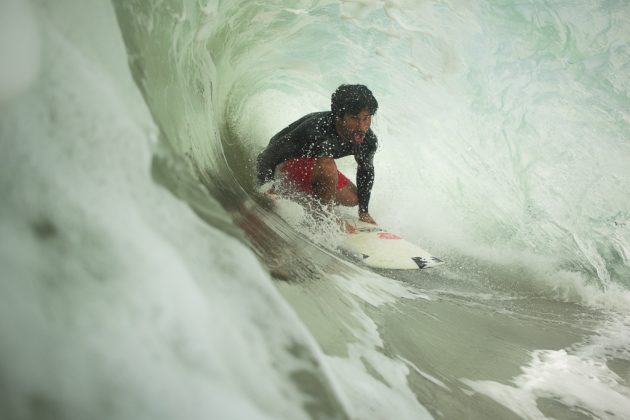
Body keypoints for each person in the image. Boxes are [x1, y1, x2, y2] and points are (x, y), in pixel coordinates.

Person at [256, 84, 379, 225]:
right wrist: (265, 187)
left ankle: (314, 201)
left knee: (353, 199)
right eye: (355, 118)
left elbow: (365, 170)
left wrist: (364, 212)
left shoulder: (367, 140)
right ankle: (324, 217)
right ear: (339, 117)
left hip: (311, 169)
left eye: (366, 118)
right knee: (327, 165)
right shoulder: (315, 130)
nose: (362, 127)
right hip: (282, 166)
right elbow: (267, 156)